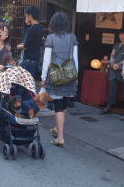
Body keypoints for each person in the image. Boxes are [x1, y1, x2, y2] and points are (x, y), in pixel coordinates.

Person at [41, 12, 78, 147]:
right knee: (63, 104)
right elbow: (75, 59)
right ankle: (58, 129)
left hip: (55, 75)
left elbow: (46, 60)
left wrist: (43, 77)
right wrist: (75, 75)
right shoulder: (72, 37)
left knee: (58, 106)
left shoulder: (51, 38)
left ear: (53, 24)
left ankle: (60, 137)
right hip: (69, 74)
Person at [99, 30, 124, 114]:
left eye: (123, 34)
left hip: (123, 70)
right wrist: (112, 64)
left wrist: (119, 65)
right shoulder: (116, 44)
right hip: (114, 70)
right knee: (112, 89)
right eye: (120, 34)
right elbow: (112, 55)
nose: (122, 36)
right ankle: (108, 107)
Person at [17, 6, 44, 80]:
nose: (25, 17)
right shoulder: (40, 28)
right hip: (36, 62)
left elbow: (26, 46)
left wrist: (18, 46)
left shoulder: (30, 29)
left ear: (30, 16)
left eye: (26, 15)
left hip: (28, 63)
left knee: (25, 86)